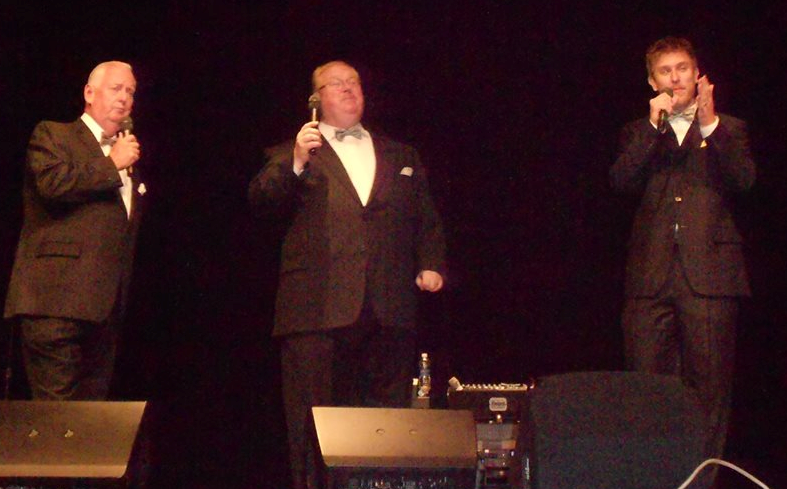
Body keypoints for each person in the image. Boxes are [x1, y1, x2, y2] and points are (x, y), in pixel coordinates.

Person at [249, 60, 446, 489]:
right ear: (315, 99)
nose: (348, 89)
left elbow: (426, 218)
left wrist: (431, 262)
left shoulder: (401, 154)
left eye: (354, 82)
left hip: (387, 307)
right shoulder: (291, 153)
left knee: (385, 425)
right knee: (314, 424)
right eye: (336, 84)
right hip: (316, 311)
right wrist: (297, 160)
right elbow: (263, 202)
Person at [611, 37, 755, 479]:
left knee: (708, 393)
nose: (675, 78)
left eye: (683, 69)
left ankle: (700, 482)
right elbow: (621, 182)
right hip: (650, 279)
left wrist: (709, 125)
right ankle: (654, 479)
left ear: (697, 75)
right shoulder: (638, 132)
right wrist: (653, 128)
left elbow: (744, 180)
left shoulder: (728, 128)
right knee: (646, 388)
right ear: (652, 81)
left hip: (709, 278)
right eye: (665, 71)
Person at [4, 61, 143, 400]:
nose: (124, 98)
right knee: (58, 419)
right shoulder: (54, 134)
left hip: (103, 313)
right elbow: (52, 184)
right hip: (55, 303)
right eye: (116, 88)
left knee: (89, 422)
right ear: (89, 93)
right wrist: (111, 164)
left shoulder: (129, 161)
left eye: (130, 91)